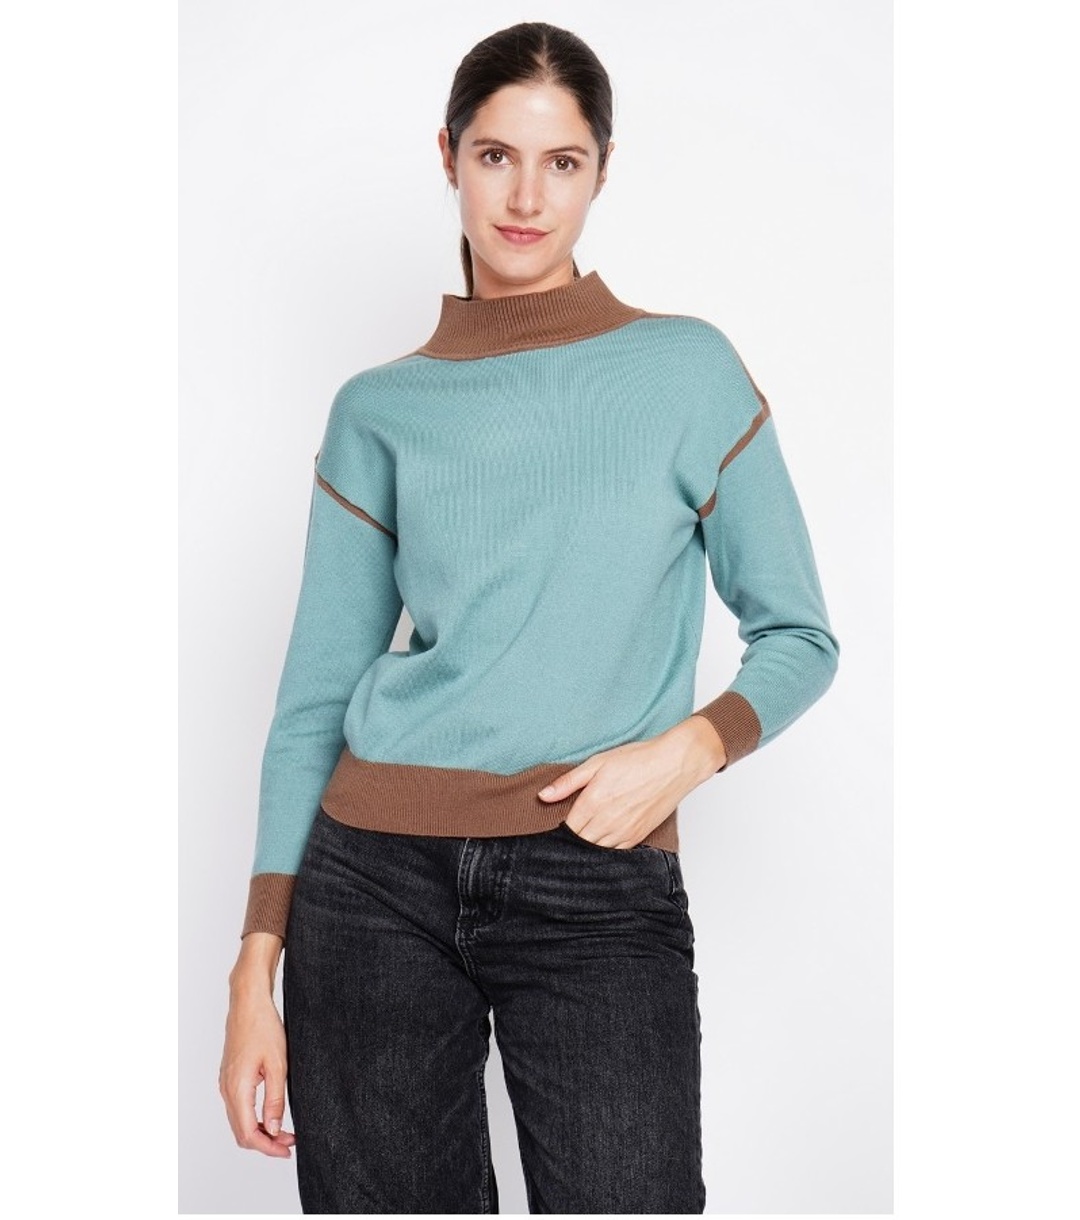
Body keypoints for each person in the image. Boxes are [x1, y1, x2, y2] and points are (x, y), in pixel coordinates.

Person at [219, 19, 839, 1215]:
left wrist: (685, 751)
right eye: (496, 155)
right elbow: (313, 700)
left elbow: (800, 634)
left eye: (562, 162)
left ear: (602, 171)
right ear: (448, 155)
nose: (525, 196)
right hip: (371, 884)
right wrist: (256, 965)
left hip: (598, 880)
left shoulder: (686, 371)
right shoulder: (380, 408)